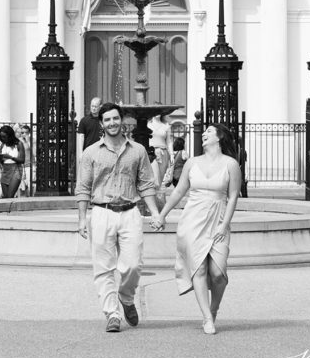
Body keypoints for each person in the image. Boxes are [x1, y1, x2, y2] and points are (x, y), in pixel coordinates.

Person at [75, 102, 159, 333]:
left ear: (122, 120)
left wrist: (155, 212)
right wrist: (82, 219)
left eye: (115, 118)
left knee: (133, 265)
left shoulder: (138, 150)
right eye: (107, 120)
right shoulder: (90, 153)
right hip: (101, 212)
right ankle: (112, 313)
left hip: (130, 211)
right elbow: (83, 187)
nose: (112, 123)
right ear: (101, 124)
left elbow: (146, 184)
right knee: (103, 267)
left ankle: (126, 297)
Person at [150, 123, 242, 335]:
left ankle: (214, 308)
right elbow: (179, 191)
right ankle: (206, 317)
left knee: (218, 273)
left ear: (219, 137)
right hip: (193, 219)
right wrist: (162, 215)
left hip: (218, 217)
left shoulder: (230, 164)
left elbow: (233, 196)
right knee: (199, 269)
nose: (205, 134)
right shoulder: (192, 163)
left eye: (210, 131)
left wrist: (225, 224)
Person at [0, 124, 25, 198]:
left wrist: (10, 157)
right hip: (5, 170)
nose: (2, 139)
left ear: (10, 135)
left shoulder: (18, 144)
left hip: (16, 169)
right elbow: (1, 161)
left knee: (10, 195)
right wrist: (1, 158)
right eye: (1, 137)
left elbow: (22, 160)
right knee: (5, 196)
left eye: (4, 137)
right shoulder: (2, 145)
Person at [147, 110, 173, 187]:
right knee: (155, 179)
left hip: (163, 153)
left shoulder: (166, 125)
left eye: (159, 110)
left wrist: (172, 154)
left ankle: (157, 197)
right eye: (155, 110)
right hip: (151, 153)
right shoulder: (148, 124)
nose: (157, 112)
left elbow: (169, 141)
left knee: (160, 178)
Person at [76, 96, 102, 161]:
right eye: (92, 106)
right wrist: (80, 153)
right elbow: (81, 137)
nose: (93, 108)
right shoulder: (84, 120)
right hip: (88, 152)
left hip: (101, 152)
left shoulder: (104, 120)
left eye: (95, 106)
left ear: (100, 107)